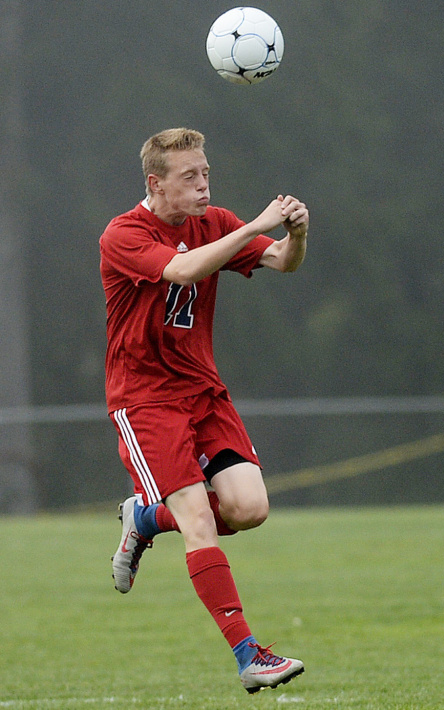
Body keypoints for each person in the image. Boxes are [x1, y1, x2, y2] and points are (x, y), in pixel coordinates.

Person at [100, 127, 308, 694]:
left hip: (204, 391)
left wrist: (296, 234)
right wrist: (257, 223)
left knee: (248, 508)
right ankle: (249, 654)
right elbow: (185, 270)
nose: (203, 185)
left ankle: (143, 518)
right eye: (190, 177)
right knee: (197, 519)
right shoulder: (122, 234)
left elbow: (283, 263)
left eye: (206, 173)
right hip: (145, 400)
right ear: (155, 183)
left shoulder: (214, 222)